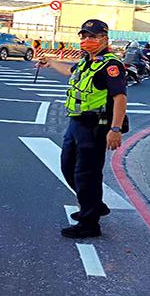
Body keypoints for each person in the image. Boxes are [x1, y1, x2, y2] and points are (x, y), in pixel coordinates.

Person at [37, 19, 127, 239]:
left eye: (92, 36)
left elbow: (120, 98)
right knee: (67, 166)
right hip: (76, 123)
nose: (87, 40)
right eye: (84, 36)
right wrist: (50, 62)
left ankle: (89, 224)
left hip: (95, 126)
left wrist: (115, 129)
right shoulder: (88, 61)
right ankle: (93, 205)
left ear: (104, 38)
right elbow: (70, 71)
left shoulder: (110, 65)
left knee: (87, 173)